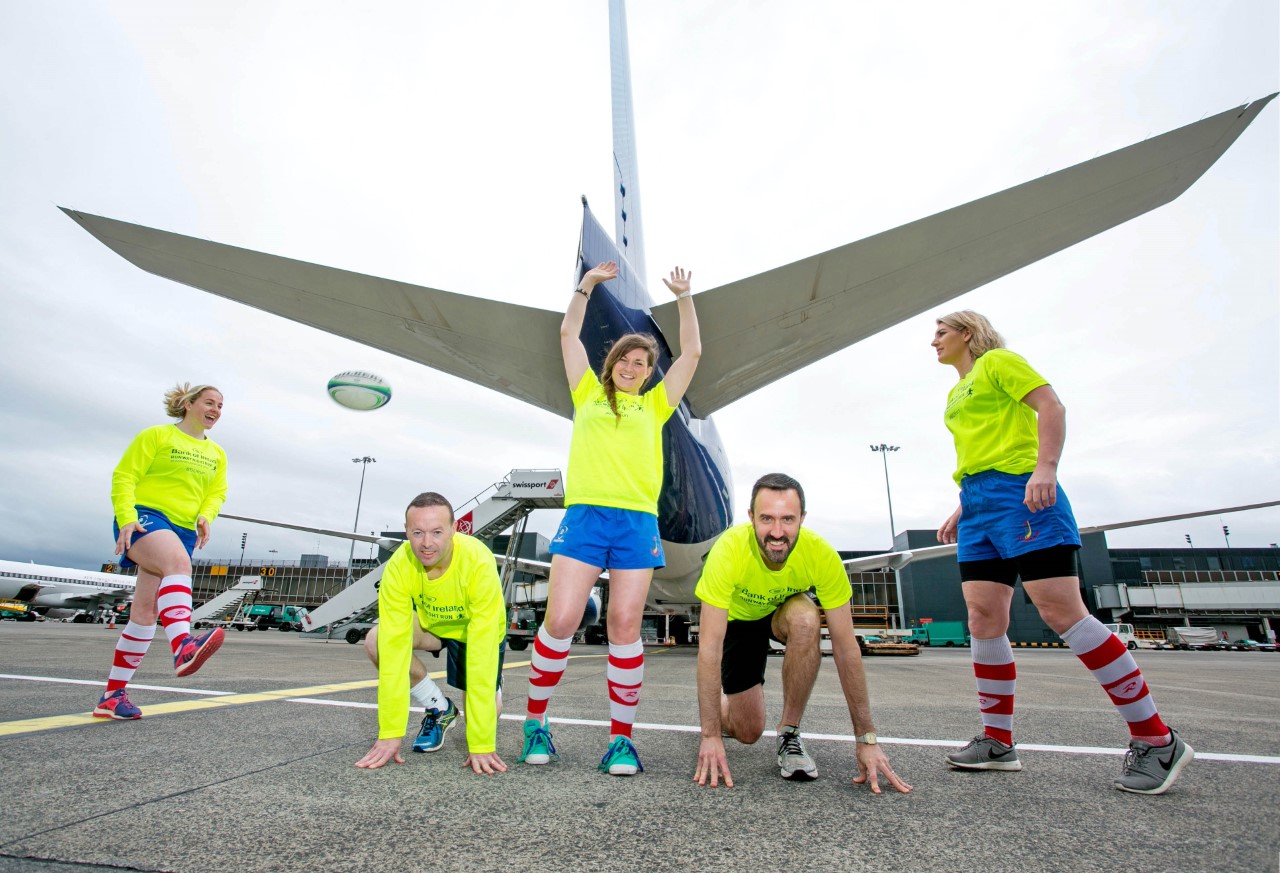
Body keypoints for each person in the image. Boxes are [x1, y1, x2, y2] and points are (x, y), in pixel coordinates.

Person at [932, 310, 1193, 794]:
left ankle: (1157, 740)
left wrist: (1045, 468)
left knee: (1062, 612)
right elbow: (985, 447)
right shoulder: (955, 391)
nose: (934, 342)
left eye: (942, 333)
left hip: (1022, 494)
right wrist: (963, 506)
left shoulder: (998, 363)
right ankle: (997, 741)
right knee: (983, 617)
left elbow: (1051, 406)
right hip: (978, 504)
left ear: (967, 333)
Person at [519, 260, 701, 776]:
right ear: (613, 363)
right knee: (561, 619)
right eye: (626, 358)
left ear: (648, 373)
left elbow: (692, 353)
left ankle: (621, 741)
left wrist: (685, 298)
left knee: (624, 626)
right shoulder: (587, 395)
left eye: (642, 362)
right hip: (586, 517)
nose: (633, 366)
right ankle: (536, 724)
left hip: (637, 523)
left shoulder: (657, 407)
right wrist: (587, 286)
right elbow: (566, 331)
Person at [692, 473, 912, 794]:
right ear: (751, 517)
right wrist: (710, 735)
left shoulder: (820, 554)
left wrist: (866, 738)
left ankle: (790, 735)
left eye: (787, 519)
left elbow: (846, 648)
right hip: (740, 621)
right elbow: (709, 648)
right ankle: (728, 707)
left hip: (783, 611)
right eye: (766, 519)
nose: (777, 532)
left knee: (807, 619)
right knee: (748, 731)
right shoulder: (727, 551)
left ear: (802, 519)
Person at [93, 383, 229, 720]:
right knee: (179, 564)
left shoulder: (217, 453)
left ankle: (112, 696)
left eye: (221, 406)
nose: (215, 410)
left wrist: (205, 515)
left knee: (144, 613)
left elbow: (218, 492)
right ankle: (183, 645)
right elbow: (125, 476)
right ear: (188, 404)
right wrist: (126, 517)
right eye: (209, 402)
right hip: (146, 518)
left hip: (183, 529)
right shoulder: (156, 436)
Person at [354, 492, 507, 775]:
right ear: (407, 532)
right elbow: (395, 649)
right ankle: (439, 709)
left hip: (475, 633)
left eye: (437, 532)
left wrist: (481, 743)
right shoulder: (399, 566)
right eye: (418, 533)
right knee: (379, 640)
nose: (426, 543)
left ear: (454, 529)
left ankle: (490, 698)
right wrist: (390, 732)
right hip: (433, 626)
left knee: (485, 712)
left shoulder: (477, 561)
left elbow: (481, 654)